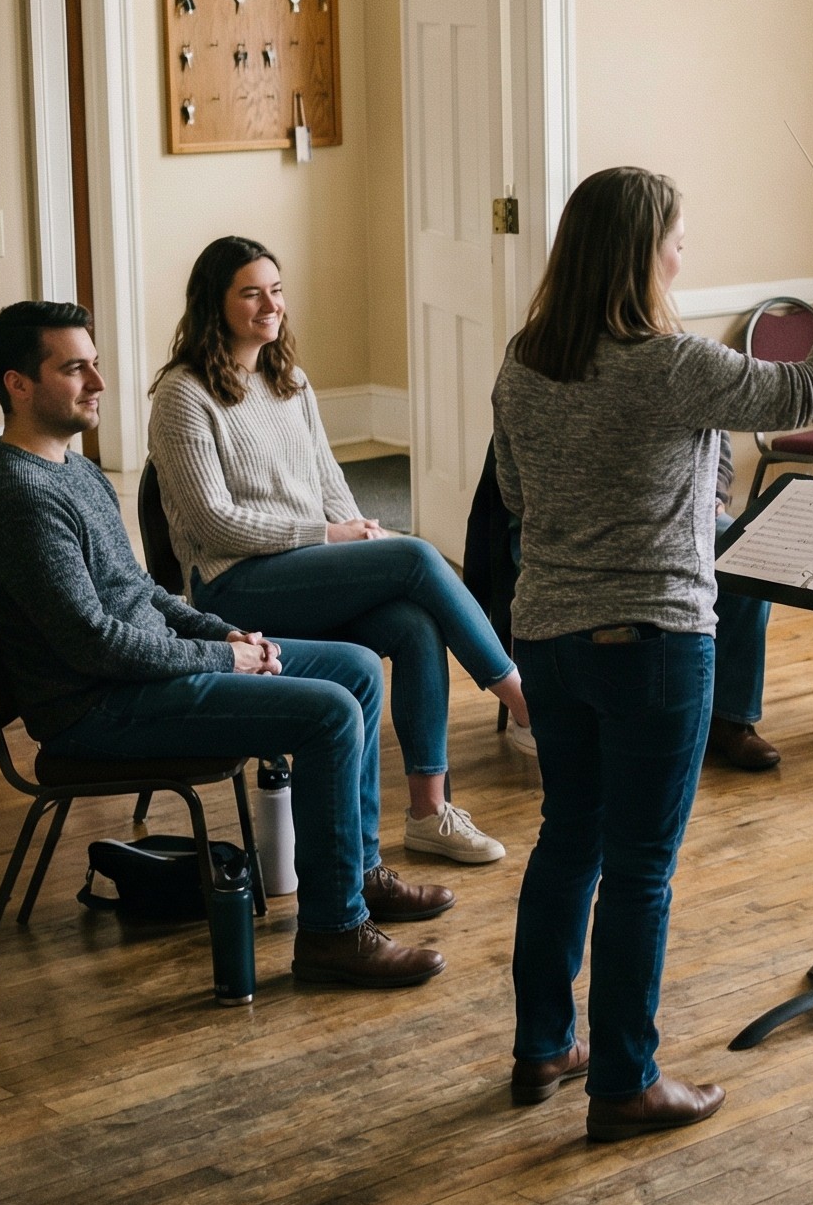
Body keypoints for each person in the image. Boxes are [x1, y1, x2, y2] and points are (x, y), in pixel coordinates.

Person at [496, 166, 813, 1138]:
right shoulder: (667, 364)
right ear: (641, 253)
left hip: (546, 635)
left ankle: (544, 1043)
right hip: (652, 644)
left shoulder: (522, 362)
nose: (684, 253)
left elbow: (510, 493)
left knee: (567, 839)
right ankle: (624, 1081)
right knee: (639, 870)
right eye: (675, 237)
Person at [0, 302, 450, 989]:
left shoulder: (74, 470)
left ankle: (357, 876)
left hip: (143, 676)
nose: (97, 381)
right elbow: (93, 644)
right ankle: (333, 936)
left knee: (359, 669)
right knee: (330, 713)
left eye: (94, 362)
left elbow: (142, 593)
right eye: (74, 368)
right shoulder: (19, 499)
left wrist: (225, 633)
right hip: (97, 709)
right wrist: (224, 659)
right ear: (17, 384)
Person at [148, 237, 530, 867]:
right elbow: (213, 525)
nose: (270, 304)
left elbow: (329, 484)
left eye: (276, 289)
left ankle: (428, 814)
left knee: (412, 621)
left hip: (305, 574)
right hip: (234, 585)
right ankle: (521, 697)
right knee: (415, 558)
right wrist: (331, 537)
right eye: (250, 293)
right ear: (213, 305)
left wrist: (359, 532)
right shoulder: (183, 395)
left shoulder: (289, 379)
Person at [706, 433, 779, 771]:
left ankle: (732, 718)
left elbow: (718, 445)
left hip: (699, 508)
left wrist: (716, 495)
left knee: (752, 559)